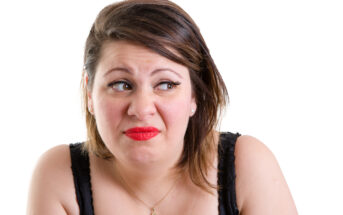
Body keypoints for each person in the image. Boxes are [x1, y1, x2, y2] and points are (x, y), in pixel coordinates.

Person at [27, 0, 298, 214]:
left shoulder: (248, 165)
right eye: (121, 84)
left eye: (166, 84)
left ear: (195, 95)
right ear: (90, 93)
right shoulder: (59, 175)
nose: (142, 109)